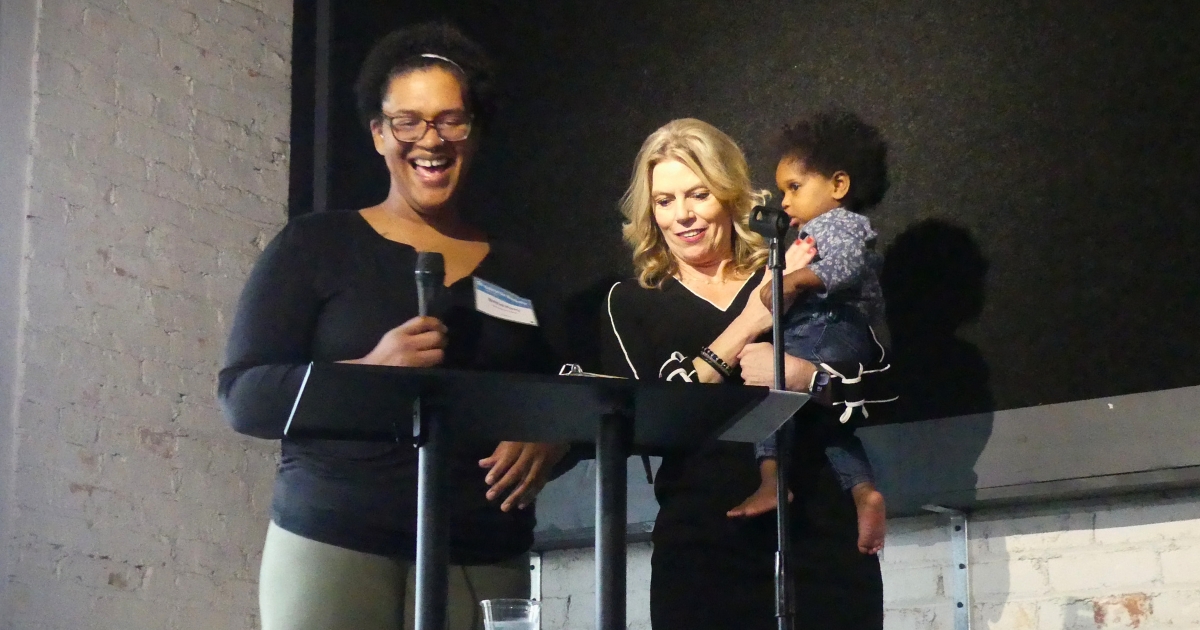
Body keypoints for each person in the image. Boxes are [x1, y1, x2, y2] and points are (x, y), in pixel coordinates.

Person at [218, 23, 566, 630]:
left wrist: (552, 436)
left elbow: (569, 388)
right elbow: (244, 398)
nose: (429, 139)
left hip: (482, 551)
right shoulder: (315, 245)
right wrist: (368, 372)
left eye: (450, 119)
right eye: (407, 121)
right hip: (335, 542)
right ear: (379, 134)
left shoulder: (522, 271)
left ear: (474, 132)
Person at [601, 118, 888, 629]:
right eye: (664, 201)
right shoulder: (633, 301)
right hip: (704, 549)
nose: (683, 215)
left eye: (698, 195)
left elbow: (880, 382)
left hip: (819, 534)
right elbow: (658, 420)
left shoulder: (793, 264)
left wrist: (808, 376)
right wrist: (751, 322)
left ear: (730, 195)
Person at [729, 109, 892, 556]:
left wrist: (793, 281)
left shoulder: (838, 224)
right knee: (829, 429)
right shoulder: (819, 228)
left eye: (794, 188)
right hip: (832, 333)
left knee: (770, 403)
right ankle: (864, 491)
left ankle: (771, 480)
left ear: (838, 186)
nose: (784, 202)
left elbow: (846, 266)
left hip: (828, 328)